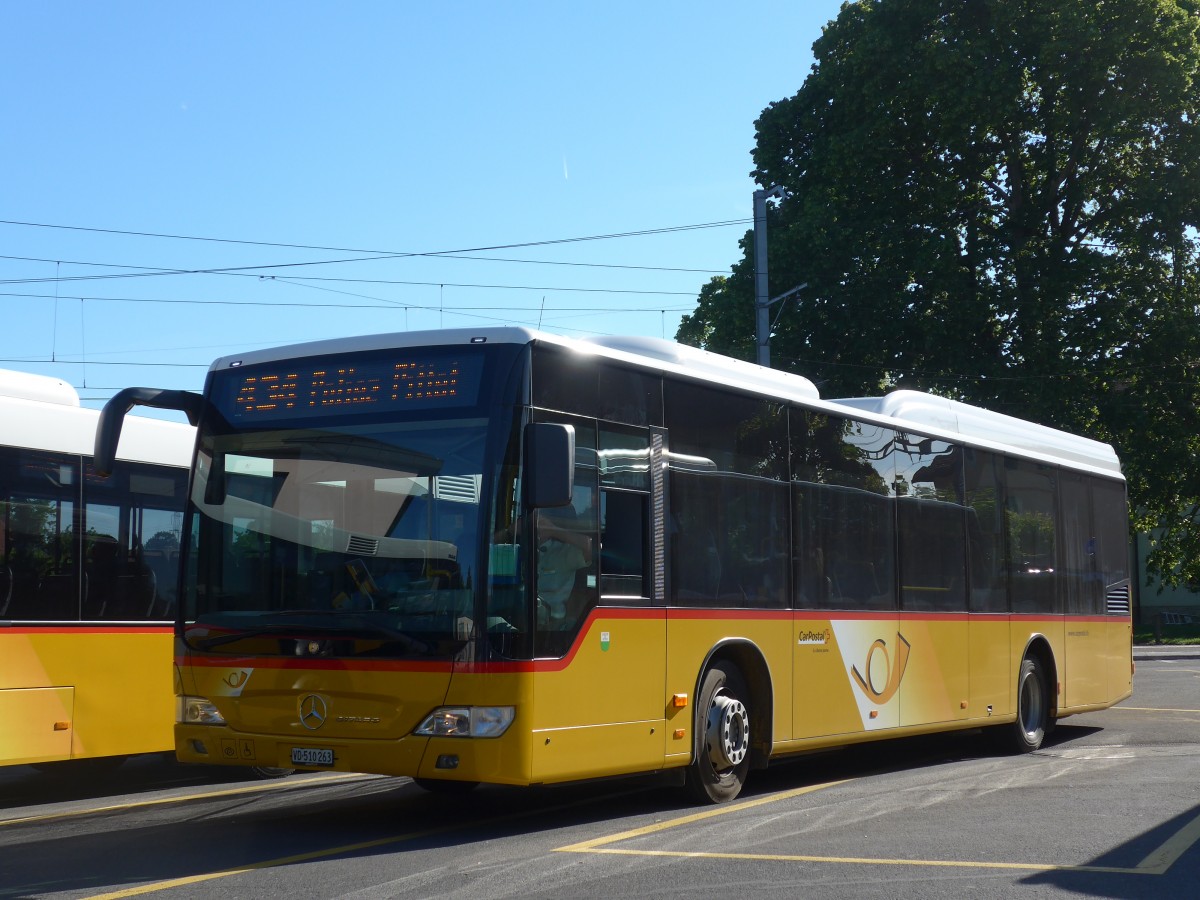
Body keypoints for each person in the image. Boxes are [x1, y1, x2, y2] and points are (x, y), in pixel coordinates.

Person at [535, 505, 592, 624]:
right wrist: (509, 531)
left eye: (542, 522)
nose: (538, 526)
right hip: (524, 614)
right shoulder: (520, 546)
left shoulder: (564, 552)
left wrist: (554, 530)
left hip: (552, 622)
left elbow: (589, 547)